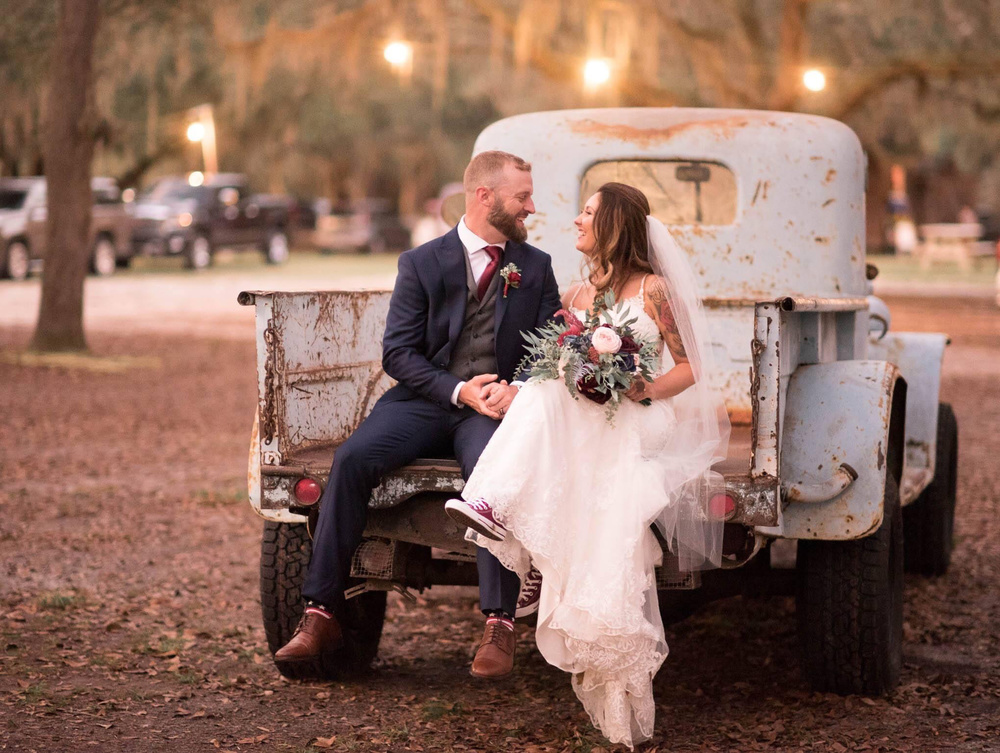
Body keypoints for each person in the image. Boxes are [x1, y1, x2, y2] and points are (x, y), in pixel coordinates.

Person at [445, 183, 730, 748]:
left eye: (589, 213)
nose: (576, 219)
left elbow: (692, 364)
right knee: (543, 388)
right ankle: (518, 536)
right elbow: (555, 361)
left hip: (640, 416)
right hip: (587, 417)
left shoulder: (654, 290)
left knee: (545, 396)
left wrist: (642, 388)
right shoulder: (576, 292)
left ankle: (499, 515)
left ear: (616, 225)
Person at [275, 151, 562, 679]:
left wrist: (516, 389)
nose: (531, 207)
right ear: (485, 197)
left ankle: (499, 624)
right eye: (522, 197)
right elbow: (398, 353)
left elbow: (550, 347)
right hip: (425, 402)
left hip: (494, 412)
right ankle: (320, 613)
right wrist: (458, 390)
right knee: (353, 458)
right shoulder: (422, 262)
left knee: (490, 475)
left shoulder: (536, 266)